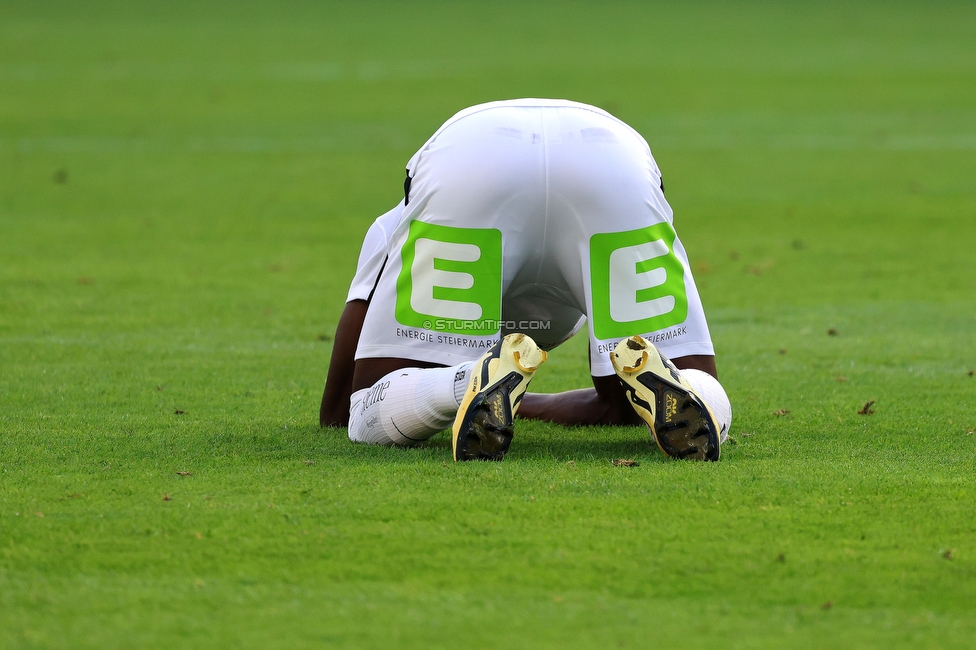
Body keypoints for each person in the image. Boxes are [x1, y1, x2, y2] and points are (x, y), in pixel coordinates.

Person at [319, 98, 732, 462]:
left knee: (368, 411)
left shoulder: (392, 225)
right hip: (612, 157)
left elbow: (342, 410)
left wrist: (504, 397)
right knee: (681, 386)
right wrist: (527, 403)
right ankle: (686, 385)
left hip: (470, 158)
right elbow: (617, 406)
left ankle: (465, 381)